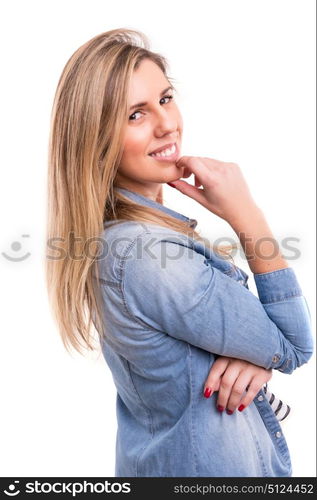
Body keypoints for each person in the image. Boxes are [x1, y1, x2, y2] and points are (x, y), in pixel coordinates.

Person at [46, 28, 314, 477]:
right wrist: (247, 214)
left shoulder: (129, 239)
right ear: (95, 139)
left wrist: (256, 354)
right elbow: (294, 343)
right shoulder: (147, 254)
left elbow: (272, 348)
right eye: (135, 115)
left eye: (165, 98)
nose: (167, 123)